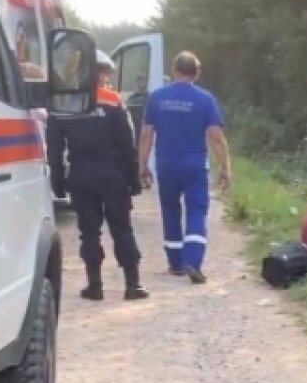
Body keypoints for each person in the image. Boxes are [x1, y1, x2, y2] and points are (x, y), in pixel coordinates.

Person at [46, 50, 148, 301]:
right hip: (113, 175)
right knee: (122, 229)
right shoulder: (113, 100)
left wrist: (57, 181)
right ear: (99, 72)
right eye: (105, 72)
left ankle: (95, 286)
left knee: (89, 232)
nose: (106, 77)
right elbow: (127, 144)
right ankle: (133, 285)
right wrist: (134, 178)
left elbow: (55, 147)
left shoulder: (64, 102)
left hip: (81, 176)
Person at [138, 51, 232, 285]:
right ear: (197, 73)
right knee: (197, 211)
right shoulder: (205, 99)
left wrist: (142, 166)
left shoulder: (157, 98)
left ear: (174, 70)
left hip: (166, 165)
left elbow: (146, 135)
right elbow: (216, 136)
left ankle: (176, 263)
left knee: (170, 210)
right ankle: (193, 260)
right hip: (195, 166)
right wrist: (225, 167)